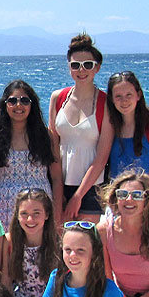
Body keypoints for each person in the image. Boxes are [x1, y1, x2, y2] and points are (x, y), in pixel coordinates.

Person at [49, 33, 114, 223]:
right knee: (60, 244)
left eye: (88, 65)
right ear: (69, 68)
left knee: (86, 245)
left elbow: (101, 158)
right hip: (60, 183)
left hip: (93, 187)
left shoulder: (106, 102)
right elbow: (53, 147)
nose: (81, 70)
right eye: (75, 65)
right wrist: (58, 190)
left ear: (97, 68)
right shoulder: (57, 98)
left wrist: (77, 197)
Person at [0, 80, 63, 229]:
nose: (18, 105)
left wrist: (57, 219)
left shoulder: (46, 137)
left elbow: (57, 179)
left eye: (24, 100)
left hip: (39, 210)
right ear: (5, 105)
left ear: (32, 105)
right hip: (4, 210)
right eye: (12, 101)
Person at [106, 71, 149, 218]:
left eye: (129, 95)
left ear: (138, 95)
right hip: (121, 205)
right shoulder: (111, 129)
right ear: (112, 100)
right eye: (118, 96)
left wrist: (144, 202)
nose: (124, 101)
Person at [2, 189, 57, 297]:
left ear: (47, 215)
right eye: (24, 213)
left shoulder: (57, 247)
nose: (30, 219)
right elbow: (6, 279)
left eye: (36, 213)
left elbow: (54, 295)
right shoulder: (10, 241)